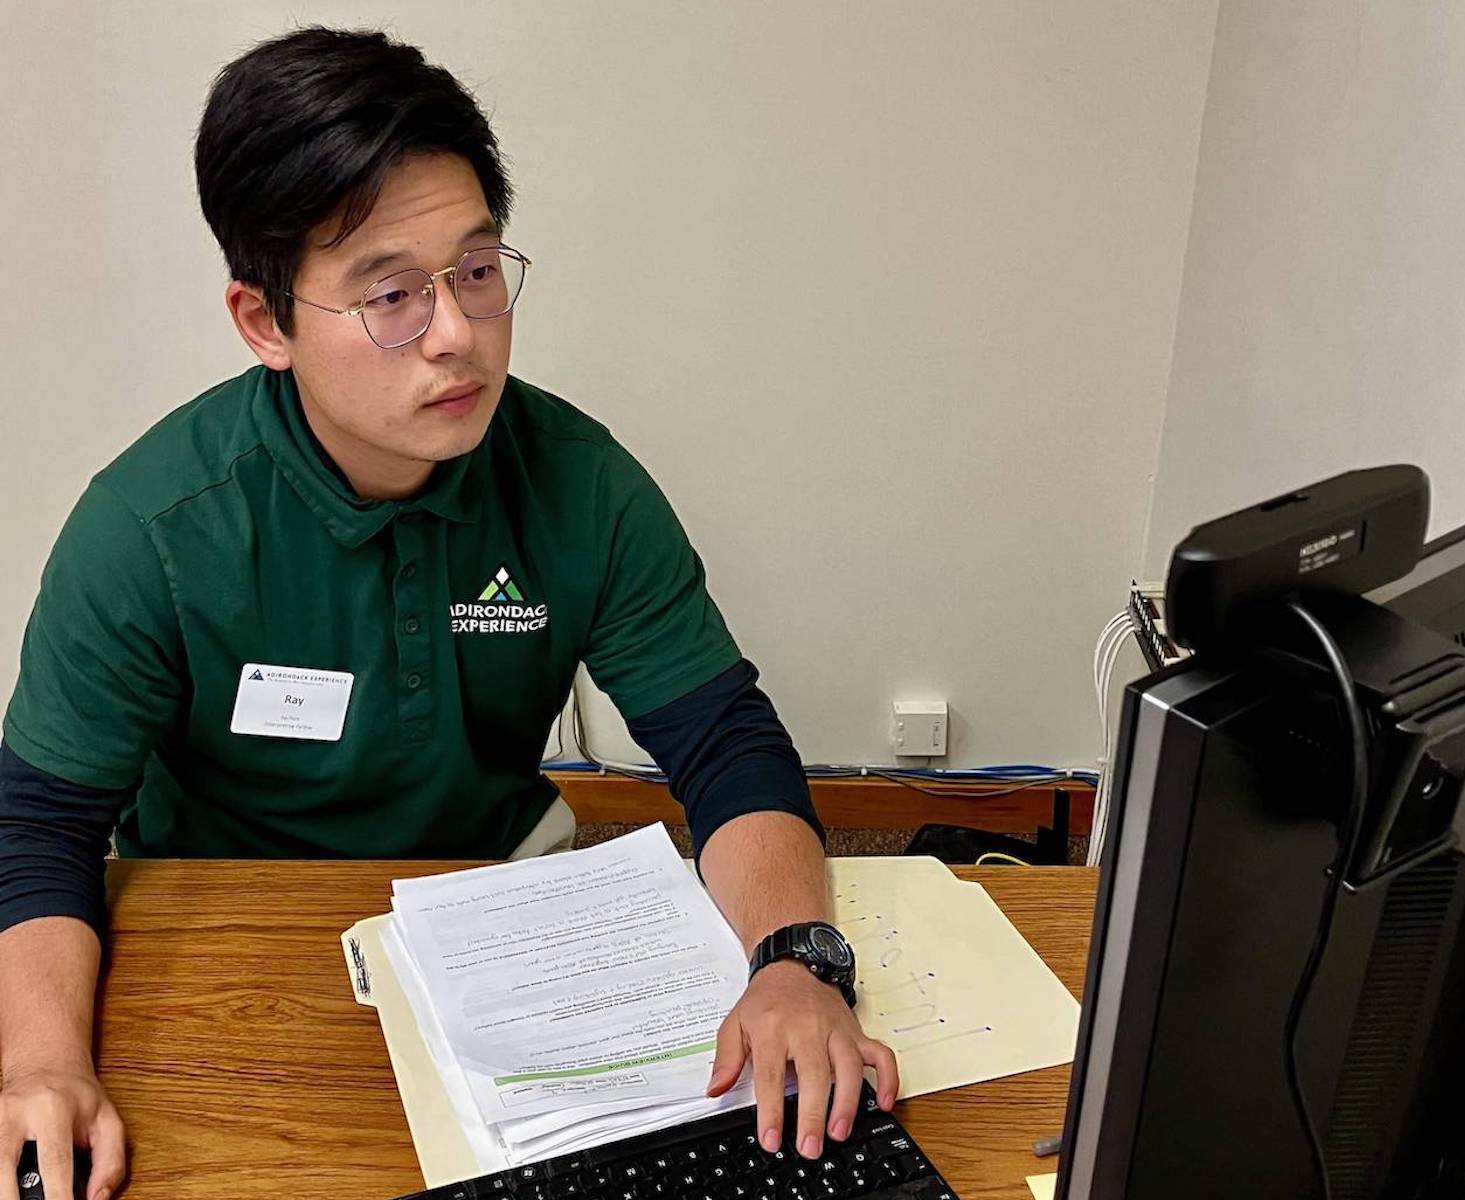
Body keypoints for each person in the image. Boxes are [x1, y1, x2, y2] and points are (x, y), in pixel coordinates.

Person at [0, 26, 897, 1200]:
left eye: (476, 271)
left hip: (503, 917)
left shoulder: (578, 481)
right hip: (226, 926)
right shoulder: (151, 529)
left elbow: (723, 744)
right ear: (265, 323)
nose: (456, 334)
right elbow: (38, 830)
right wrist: (42, 1063)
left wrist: (793, 963)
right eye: (388, 294)